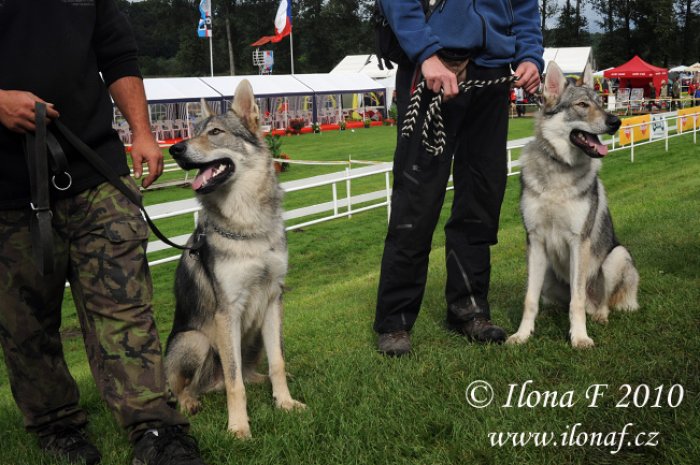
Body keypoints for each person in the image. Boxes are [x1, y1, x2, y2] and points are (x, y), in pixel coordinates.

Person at [0, 2, 208, 464]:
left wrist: (142, 131)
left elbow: (116, 53)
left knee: (126, 308)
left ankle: (155, 427)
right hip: (9, 189)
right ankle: (57, 427)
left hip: (95, 168)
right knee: (26, 324)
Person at [374, 0, 543, 355]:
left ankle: (469, 309)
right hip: (433, 66)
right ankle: (395, 321)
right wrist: (425, 52)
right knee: (416, 201)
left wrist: (530, 55)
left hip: (493, 72)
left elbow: (525, 6)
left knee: (482, 196)